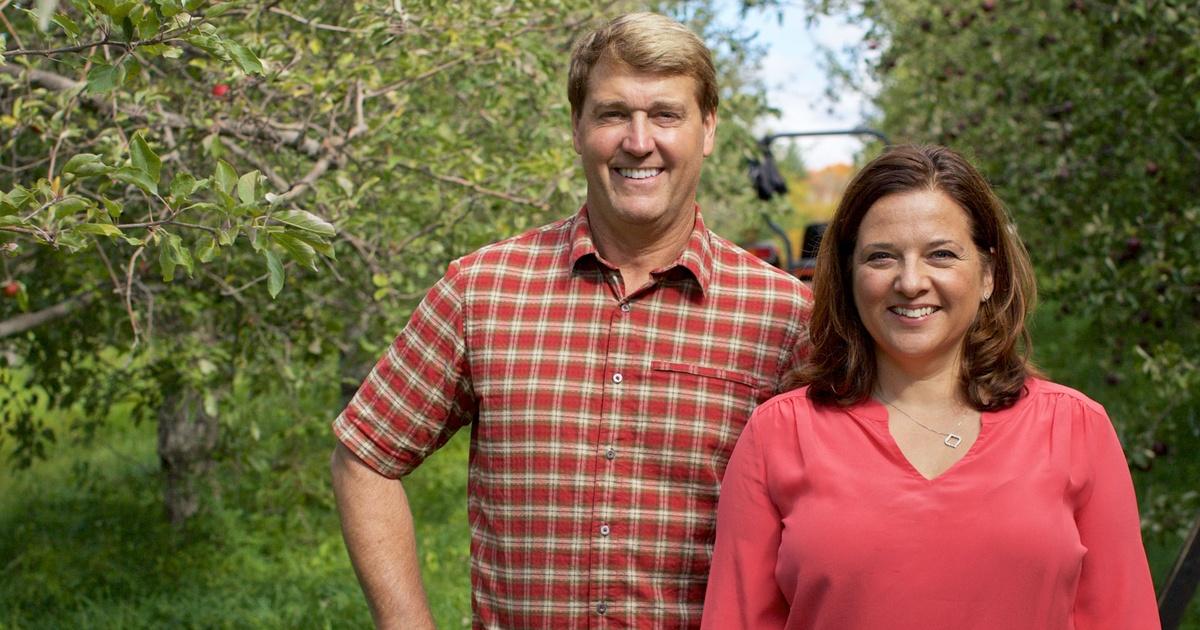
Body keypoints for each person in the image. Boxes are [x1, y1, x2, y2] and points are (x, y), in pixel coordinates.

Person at [330, 12, 812, 629]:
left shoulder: (783, 315)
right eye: (613, 114)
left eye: (666, 114)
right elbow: (365, 455)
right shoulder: (482, 291)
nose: (639, 141)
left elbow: (839, 517)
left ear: (708, 129)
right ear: (577, 128)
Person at [701, 144, 1160, 630]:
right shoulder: (779, 435)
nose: (911, 281)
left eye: (941, 254)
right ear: (849, 276)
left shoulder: (1075, 429)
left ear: (988, 274)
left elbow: (1122, 616)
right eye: (882, 257)